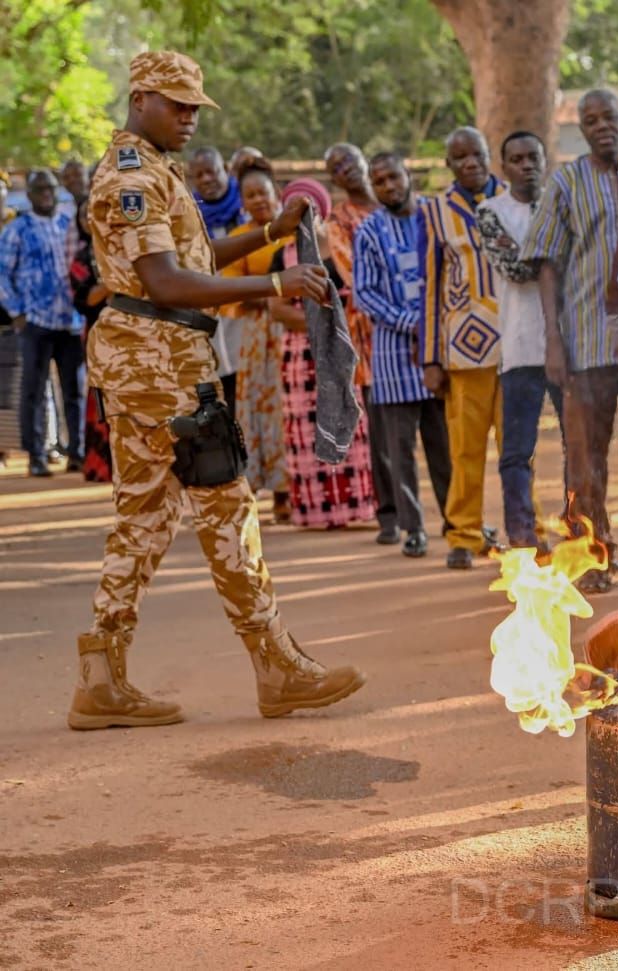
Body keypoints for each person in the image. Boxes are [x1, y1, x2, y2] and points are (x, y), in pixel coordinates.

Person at [70, 50, 365, 731]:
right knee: (228, 507)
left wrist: (270, 235)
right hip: (162, 370)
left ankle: (100, 676)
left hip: (155, 364)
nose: (190, 116)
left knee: (143, 517)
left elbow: (194, 259)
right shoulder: (132, 177)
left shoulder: (155, 169)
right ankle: (277, 667)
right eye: (177, 103)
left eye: (195, 105)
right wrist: (274, 283)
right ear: (140, 97)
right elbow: (169, 283)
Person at [521, 89, 618, 592]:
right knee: (585, 457)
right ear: (581, 128)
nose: (601, 126)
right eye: (589, 120)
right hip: (586, 340)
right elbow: (546, 263)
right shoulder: (566, 182)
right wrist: (554, 339)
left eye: (608, 117)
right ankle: (592, 559)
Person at [353, 152, 451, 558]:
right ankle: (413, 529)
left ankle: (457, 521)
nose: (388, 187)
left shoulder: (435, 215)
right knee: (400, 450)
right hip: (394, 356)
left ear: (408, 175)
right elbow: (364, 293)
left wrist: (434, 322)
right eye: (379, 182)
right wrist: (413, 322)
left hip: (441, 353)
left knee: (444, 443)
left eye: (393, 177)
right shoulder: (370, 231)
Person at [267, 178, 377, 530]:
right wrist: (319, 323)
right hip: (300, 352)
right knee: (306, 426)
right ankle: (315, 511)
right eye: (294, 208)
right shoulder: (281, 255)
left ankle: (354, 506)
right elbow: (277, 308)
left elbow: (361, 292)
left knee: (350, 420)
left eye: (310, 207)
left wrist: (333, 326)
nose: (304, 215)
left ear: (322, 208)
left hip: (344, 347)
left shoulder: (344, 244)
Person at [476, 131, 564, 551]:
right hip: (521, 346)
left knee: (578, 447)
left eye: (533, 157)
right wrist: (553, 256)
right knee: (516, 453)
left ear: (545, 160)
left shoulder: (563, 203)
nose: (526, 165)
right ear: (503, 167)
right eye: (517, 159)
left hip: (570, 347)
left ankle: (580, 532)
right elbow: (513, 267)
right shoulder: (490, 211)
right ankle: (523, 537)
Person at [422, 127, 505, 570]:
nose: (470, 162)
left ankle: (523, 529)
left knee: (516, 448)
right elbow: (431, 287)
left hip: (515, 346)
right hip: (462, 351)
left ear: (489, 155)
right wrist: (431, 356)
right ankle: (464, 534)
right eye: (459, 157)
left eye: (476, 153)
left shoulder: (515, 199)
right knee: (465, 448)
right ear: (449, 165)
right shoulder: (435, 212)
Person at [325, 142, 397, 544]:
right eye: (336, 167)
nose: (345, 168)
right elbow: (354, 276)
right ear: (332, 179)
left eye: (350, 160)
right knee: (383, 429)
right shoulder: (338, 222)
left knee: (436, 427)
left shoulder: (398, 205)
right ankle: (390, 516)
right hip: (371, 338)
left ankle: (450, 517)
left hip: (419, 337)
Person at [218, 158, 290, 519]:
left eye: (263, 192)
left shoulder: (297, 231)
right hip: (255, 336)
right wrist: (276, 292)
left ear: (276, 193)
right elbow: (227, 290)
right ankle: (263, 487)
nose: (259, 200)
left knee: (289, 407)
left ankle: (291, 490)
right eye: (250, 195)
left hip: (293, 329)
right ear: (242, 202)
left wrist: (266, 293)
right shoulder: (238, 240)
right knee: (257, 411)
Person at [0, 167, 83, 477]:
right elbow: (2, 275)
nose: (46, 194)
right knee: (32, 391)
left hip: (69, 320)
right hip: (34, 321)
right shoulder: (17, 229)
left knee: (74, 390)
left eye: (50, 188)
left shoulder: (67, 223)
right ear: (30, 194)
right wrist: (17, 312)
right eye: (39, 190)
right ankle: (35, 454)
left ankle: (77, 451)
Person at [189, 146, 247, 411]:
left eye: (211, 172)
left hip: (250, 304)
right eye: (199, 175)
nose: (206, 180)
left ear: (224, 169)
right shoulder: (189, 214)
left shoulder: (248, 201)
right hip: (212, 310)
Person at [68, 198, 112, 482]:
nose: (88, 219)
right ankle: (101, 464)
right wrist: (114, 283)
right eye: (83, 216)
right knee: (100, 397)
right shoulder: (82, 259)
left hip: (132, 333)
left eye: (92, 213)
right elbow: (84, 299)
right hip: (98, 334)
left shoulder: (120, 250)